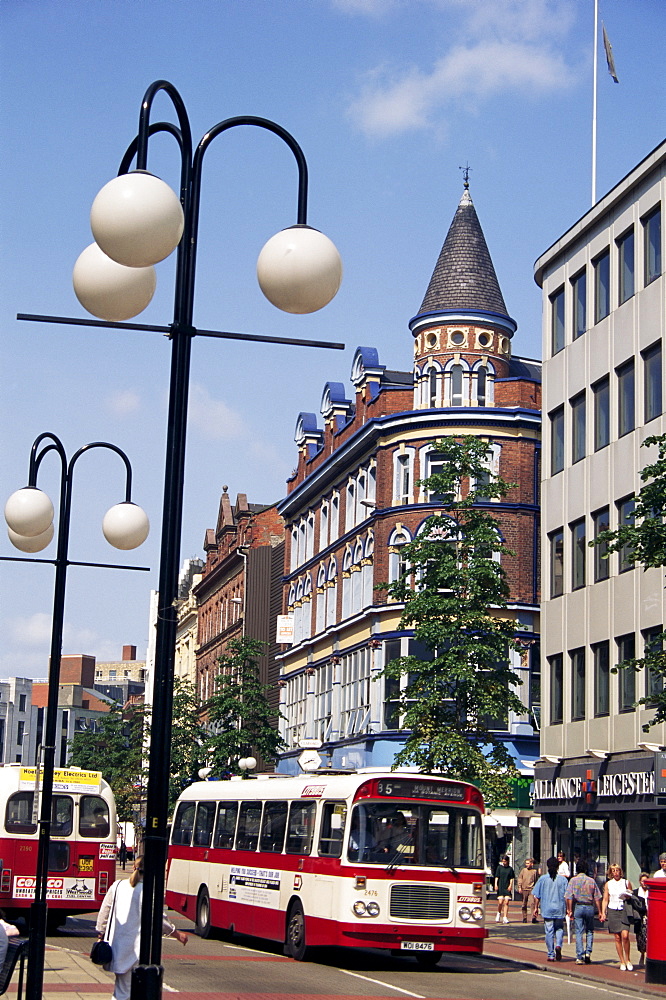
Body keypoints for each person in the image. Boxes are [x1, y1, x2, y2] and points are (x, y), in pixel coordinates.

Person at [96, 856, 188, 1000]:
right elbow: (159, 919)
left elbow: (104, 913)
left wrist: (101, 933)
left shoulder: (117, 886)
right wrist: (177, 934)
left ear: (134, 867)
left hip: (116, 947)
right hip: (136, 950)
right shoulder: (146, 892)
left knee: (122, 989)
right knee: (126, 992)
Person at [565, 859, 603, 964]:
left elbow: (568, 896)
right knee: (590, 930)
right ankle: (588, 952)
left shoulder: (573, 880)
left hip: (579, 906)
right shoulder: (591, 881)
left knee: (579, 931)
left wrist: (569, 910)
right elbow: (597, 897)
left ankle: (579, 956)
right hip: (589, 906)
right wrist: (600, 911)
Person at [532, 856, 568, 961]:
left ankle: (550, 954)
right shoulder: (563, 880)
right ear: (558, 867)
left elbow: (536, 895)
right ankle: (559, 945)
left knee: (549, 931)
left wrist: (536, 908)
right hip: (559, 908)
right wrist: (569, 909)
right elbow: (567, 895)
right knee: (560, 928)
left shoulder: (542, 879)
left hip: (547, 908)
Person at [601, 862, 634, 971]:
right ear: (611, 873)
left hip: (623, 909)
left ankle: (628, 959)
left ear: (621, 872)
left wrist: (628, 896)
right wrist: (603, 912)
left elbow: (631, 895)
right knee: (617, 937)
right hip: (613, 909)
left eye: (617, 870)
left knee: (625, 935)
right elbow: (605, 899)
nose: (616, 873)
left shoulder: (626, 882)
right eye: (613, 871)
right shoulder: (608, 884)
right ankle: (622, 961)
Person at [494, 855, 515, 924]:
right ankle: (498, 913)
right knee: (500, 902)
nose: (504, 862)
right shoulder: (499, 868)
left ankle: (505, 917)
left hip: (507, 886)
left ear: (507, 861)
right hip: (501, 886)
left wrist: (510, 885)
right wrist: (496, 884)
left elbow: (512, 878)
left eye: (505, 861)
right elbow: (497, 876)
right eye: (503, 861)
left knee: (506, 902)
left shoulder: (510, 869)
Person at [517, 858, 539, 923]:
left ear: (531, 864)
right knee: (524, 904)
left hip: (531, 889)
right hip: (524, 889)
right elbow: (520, 878)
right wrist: (519, 887)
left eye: (528, 863)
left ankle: (533, 917)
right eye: (526, 863)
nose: (527, 865)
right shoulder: (523, 870)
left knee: (532, 903)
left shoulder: (534, 871)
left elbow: (536, 880)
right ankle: (524, 917)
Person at [635, 872, 649, 967]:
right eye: (643, 881)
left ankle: (649, 956)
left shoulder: (651, 891)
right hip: (640, 918)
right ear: (640, 882)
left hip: (650, 918)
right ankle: (642, 954)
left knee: (649, 938)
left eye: (646, 881)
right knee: (640, 938)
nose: (644, 883)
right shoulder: (636, 892)